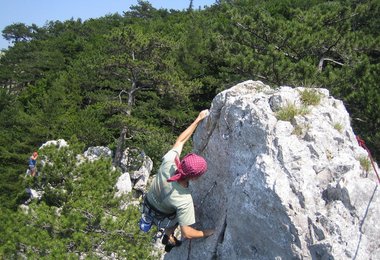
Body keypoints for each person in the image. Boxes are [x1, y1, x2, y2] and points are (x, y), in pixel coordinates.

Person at [144, 109, 214, 252]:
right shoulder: (184, 200)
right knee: (183, 214)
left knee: (181, 211)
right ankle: (168, 234)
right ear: (194, 177)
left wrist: (198, 119)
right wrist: (206, 233)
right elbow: (187, 233)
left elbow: (180, 140)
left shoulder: (169, 163)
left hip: (148, 203)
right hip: (163, 214)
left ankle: (168, 236)